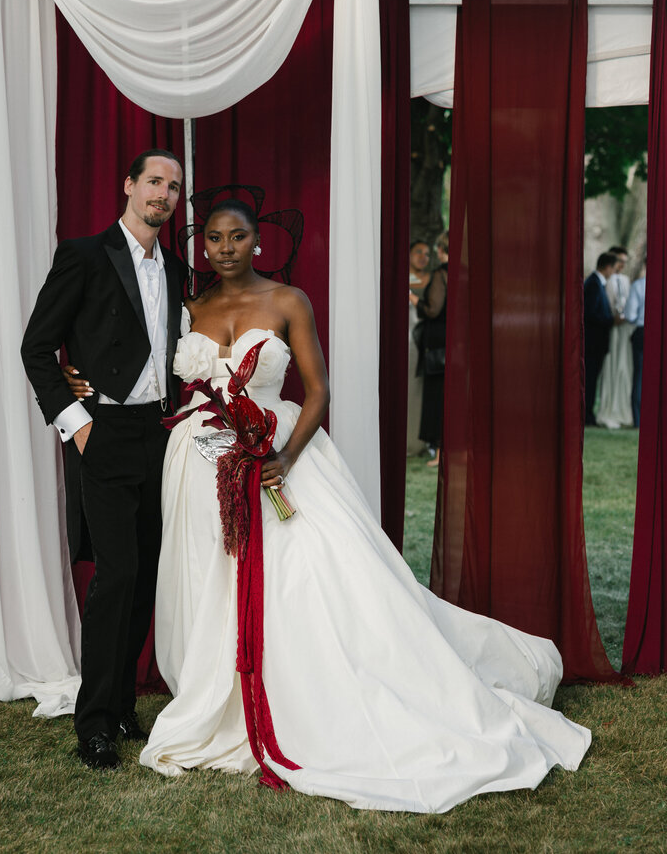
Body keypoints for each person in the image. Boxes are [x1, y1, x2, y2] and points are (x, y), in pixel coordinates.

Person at [103, 198, 590, 813]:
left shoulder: (287, 302)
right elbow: (154, 372)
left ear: (258, 242)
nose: (225, 248)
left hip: (278, 453)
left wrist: (284, 457)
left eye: (238, 237)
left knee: (309, 578)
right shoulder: (191, 307)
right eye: (215, 239)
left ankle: (309, 691)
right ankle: (217, 689)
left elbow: (318, 390)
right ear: (204, 247)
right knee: (211, 575)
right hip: (197, 460)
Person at [21, 149, 185, 771]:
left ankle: (120, 703)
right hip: (103, 431)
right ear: (129, 185)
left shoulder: (175, 268)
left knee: (145, 574)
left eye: (172, 187)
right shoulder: (84, 255)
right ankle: (93, 724)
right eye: (153, 182)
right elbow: (37, 346)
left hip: (159, 433)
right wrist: (76, 422)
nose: (162, 195)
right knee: (115, 574)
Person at [415, 231, 448, 467]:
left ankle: (439, 452)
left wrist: (416, 301)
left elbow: (433, 309)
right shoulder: (465, 272)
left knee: (438, 396)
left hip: (439, 342)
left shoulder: (441, 275)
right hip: (457, 340)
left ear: (441, 249)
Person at [595, 246, 633, 429]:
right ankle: (607, 408)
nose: (622, 266)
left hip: (622, 329)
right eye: (620, 262)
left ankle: (621, 408)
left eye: (624, 262)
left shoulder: (625, 280)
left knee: (622, 368)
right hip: (609, 329)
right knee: (609, 368)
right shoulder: (606, 281)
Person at [583, 252, 617, 426]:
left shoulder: (596, 284)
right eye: (614, 268)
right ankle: (587, 415)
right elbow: (591, 313)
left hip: (596, 344)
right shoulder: (593, 285)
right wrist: (611, 320)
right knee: (589, 380)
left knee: (591, 380)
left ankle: (588, 413)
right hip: (593, 344)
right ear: (607, 266)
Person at [406, 239, 430, 456]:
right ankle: (409, 440)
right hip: (409, 340)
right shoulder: (405, 280)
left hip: (427, 341)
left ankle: (420, 441)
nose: (423, 257)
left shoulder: (433, 280)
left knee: (422, 391)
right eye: (419, 252)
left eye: (427, 253)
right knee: (410, 388)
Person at [624, 258, 646, 427]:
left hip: (642, 332)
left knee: (639, 376)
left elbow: (630, 315)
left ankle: (639, 420)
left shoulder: (639, 285)